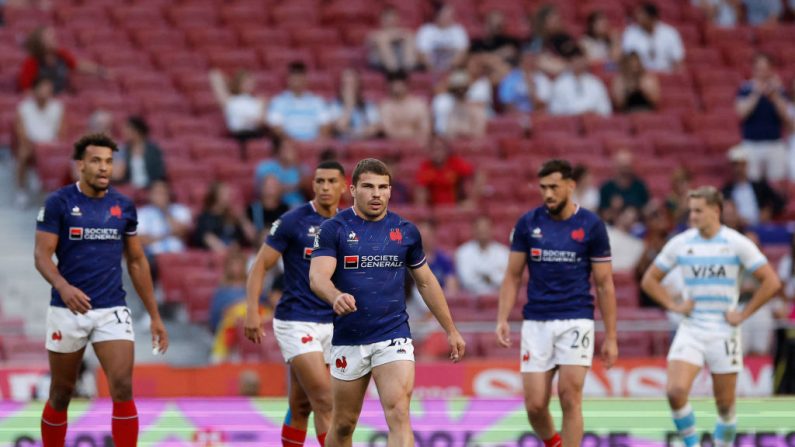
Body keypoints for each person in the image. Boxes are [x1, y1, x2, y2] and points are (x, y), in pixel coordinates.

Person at [309, 158, 466, 445]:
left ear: (391, 191)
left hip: (393, 335)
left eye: (382, 187)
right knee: (343, 425)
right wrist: (335, 295)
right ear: (353, 190)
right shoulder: (334, 229)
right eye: (368, 186)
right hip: (349, 337)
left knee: (398, 411)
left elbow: (427, 281)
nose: (376, 193)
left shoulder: (405, 231)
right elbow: (318, 277)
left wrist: (451, 329)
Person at [33, 133, 169, 447]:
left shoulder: (123, 206)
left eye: (108, 161)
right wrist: (63, 287)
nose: (104, 167)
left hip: (111, 309)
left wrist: (155, 315)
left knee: (122, 386)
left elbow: (136, 260)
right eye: (96, 160)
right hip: (67, 309)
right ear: (80, 165)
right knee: (61, 393)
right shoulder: (59, 203)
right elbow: (42, 255)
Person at [640, 186, 781, 447]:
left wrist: (743, 313)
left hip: (724, 331)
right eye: (690, 211)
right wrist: (674, 305)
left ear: (715, 211)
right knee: (675, 391)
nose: (692, 217)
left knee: (725, 406)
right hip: (691, 327)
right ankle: (692, 445)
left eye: (698, 211)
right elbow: (649, 280)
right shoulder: (681, 243)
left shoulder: (736, 243)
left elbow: (771, 282)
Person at [496, 159, 618, 447]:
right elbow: (513, 276)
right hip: (537, 321)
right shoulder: (528, 223)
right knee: (535, 405)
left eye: (554, 187)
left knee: (569, 396)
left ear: (570, 186)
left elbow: (604, 284)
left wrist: (611, 336)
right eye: (543, 188)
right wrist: (502, 317)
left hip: (576, 318)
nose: (548, 194)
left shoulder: (591, 225)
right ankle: (555, 443)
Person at [244, 161, 348, 447]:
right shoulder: (294, 221)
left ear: (343, 186)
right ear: (312, 185)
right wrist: (252, 310)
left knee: (301, 406)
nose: (325, 187)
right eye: (319, 181)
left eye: (331, 181)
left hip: (334, 324)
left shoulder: (350, 225)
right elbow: (259, 266)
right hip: (296, 320)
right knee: (326, 400)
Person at [735, 53, 790, 183]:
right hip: (752, 144)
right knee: (753, 182)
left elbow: (786, 116)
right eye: (759, 69)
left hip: (774, 143)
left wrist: (774, 95)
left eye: (765, 69)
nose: (762, 73)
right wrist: (756, 93)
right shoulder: (746, 89)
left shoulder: (779, 90)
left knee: (777, 183)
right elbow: (742, 113)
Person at [15, 77, 65, 207]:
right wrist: (33, 145)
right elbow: (21, 131)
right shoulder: (24, 107)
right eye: (42, 89)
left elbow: (61, 131)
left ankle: (49, 187)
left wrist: (52, 146)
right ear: (34, 90)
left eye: (48, 89)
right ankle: (22, 191)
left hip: (51, 146)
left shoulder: (57, 107)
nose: (45, 92)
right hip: (31, 144)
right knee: (22, 155)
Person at [18, 26, 108, 94]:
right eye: (50, 37)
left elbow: (77, 65)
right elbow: (26, 89)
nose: (54, 39)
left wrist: (100, 71)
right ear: (40, 42)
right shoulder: (31, 62)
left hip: (62, 96)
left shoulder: (61, 54)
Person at [268, 61, 331, 141]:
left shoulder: (317, 101)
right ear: (288, 79)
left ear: (305, 79)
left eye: (300, 77)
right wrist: (291, 144)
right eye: (294, 77)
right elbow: (276, 127)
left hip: (313, 144)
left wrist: (315, 143)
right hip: (289, 146)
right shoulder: (278, 102)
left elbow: (325, 125)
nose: (297, 81)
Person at [209, 68, 268, 147]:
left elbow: (261, 122)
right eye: (246, 82)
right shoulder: (231, 101)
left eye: (250, 82)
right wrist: (229, 82)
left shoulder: (257, 102)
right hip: (238, 136)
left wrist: (263, 107)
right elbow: (215, 76)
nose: (248, 84)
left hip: (256, 135)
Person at [192, 182, 256, 254]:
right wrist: (229, 251)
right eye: (226, 194)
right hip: (217, 260)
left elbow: (254, 239)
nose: (230, 197)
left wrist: (242, 219)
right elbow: (211, 241)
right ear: (216, 196)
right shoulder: (204, 219)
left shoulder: (235, 218)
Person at [548, 46, 612, 116]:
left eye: (580, 58)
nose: (578, 62)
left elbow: (605, 110)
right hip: (569, 123)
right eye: (574, 59)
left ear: (585, 60)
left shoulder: (596, 83)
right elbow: (555, 111)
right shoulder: (559, 84)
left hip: (592, 121)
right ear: (568, 62)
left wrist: (590, 114)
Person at [621, 2, 684, 72]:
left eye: (642, 15)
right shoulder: (630, 33)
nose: (638, 18)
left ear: (652, 18)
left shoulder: (670, 33)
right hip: (641, 76)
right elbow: (627, 58)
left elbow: (678, 60)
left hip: (666, 74)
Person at [456, 216, 510, 296]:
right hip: (472, 299)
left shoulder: (503, 252)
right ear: (473, 230)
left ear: (492, 229)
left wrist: (483, 275)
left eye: (485, 228)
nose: (483, 231)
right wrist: (493, 275)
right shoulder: (463, 252)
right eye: (479, 229)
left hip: (498, 297)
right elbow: (467, 280)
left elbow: (506, 280)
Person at [112, 116, 167, 190]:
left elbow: (159, 171)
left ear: (137, 131)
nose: (124, 133)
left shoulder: (153, 149)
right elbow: (118, 175)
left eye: (128, 130)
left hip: (151, 187)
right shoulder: (123, 150)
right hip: (130, 188)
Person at [379, 71, 431, 144]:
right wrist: (412, 131)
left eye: (399, 83)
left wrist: (401, 131)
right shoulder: (385, 106)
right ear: (388, 85)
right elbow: (389, 132)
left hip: (418, 145)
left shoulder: (419, 105)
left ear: (406, 84)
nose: (396, 87)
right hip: (394, 147)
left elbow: (425, 130)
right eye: (393, 83)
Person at [328, 69, 381, 140]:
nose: (349, 88)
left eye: (352, 84)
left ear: (358, 85)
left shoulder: (368, 106)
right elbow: (339, 127)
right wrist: (349, 106)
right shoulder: (334, 106)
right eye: (346, 84)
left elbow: (375, 127)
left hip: (363, 145)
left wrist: (353, 133)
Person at [415, 3, 469, 72]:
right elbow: (421, 53)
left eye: (451, 15)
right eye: (445, 15)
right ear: (437, 15)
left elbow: (462, 52)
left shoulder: (458, 30)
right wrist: (432, 68)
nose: (449, 17)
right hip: (430, 69)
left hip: (452, 69)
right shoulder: (426, 30)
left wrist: (450, 67)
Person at [367, 6, 418, 73]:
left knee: (409, 37)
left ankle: (409, 70)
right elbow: (370, 40)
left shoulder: (405, 33)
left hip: (402, 63)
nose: (390, 21)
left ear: (397, 19)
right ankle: (394, 72)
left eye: (392, 17)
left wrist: (396, 35)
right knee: (382, 40)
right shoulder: (375, 34)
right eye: (387, 18)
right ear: (381, 20)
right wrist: (393, 36)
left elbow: (411, 35)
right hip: (382, 64)